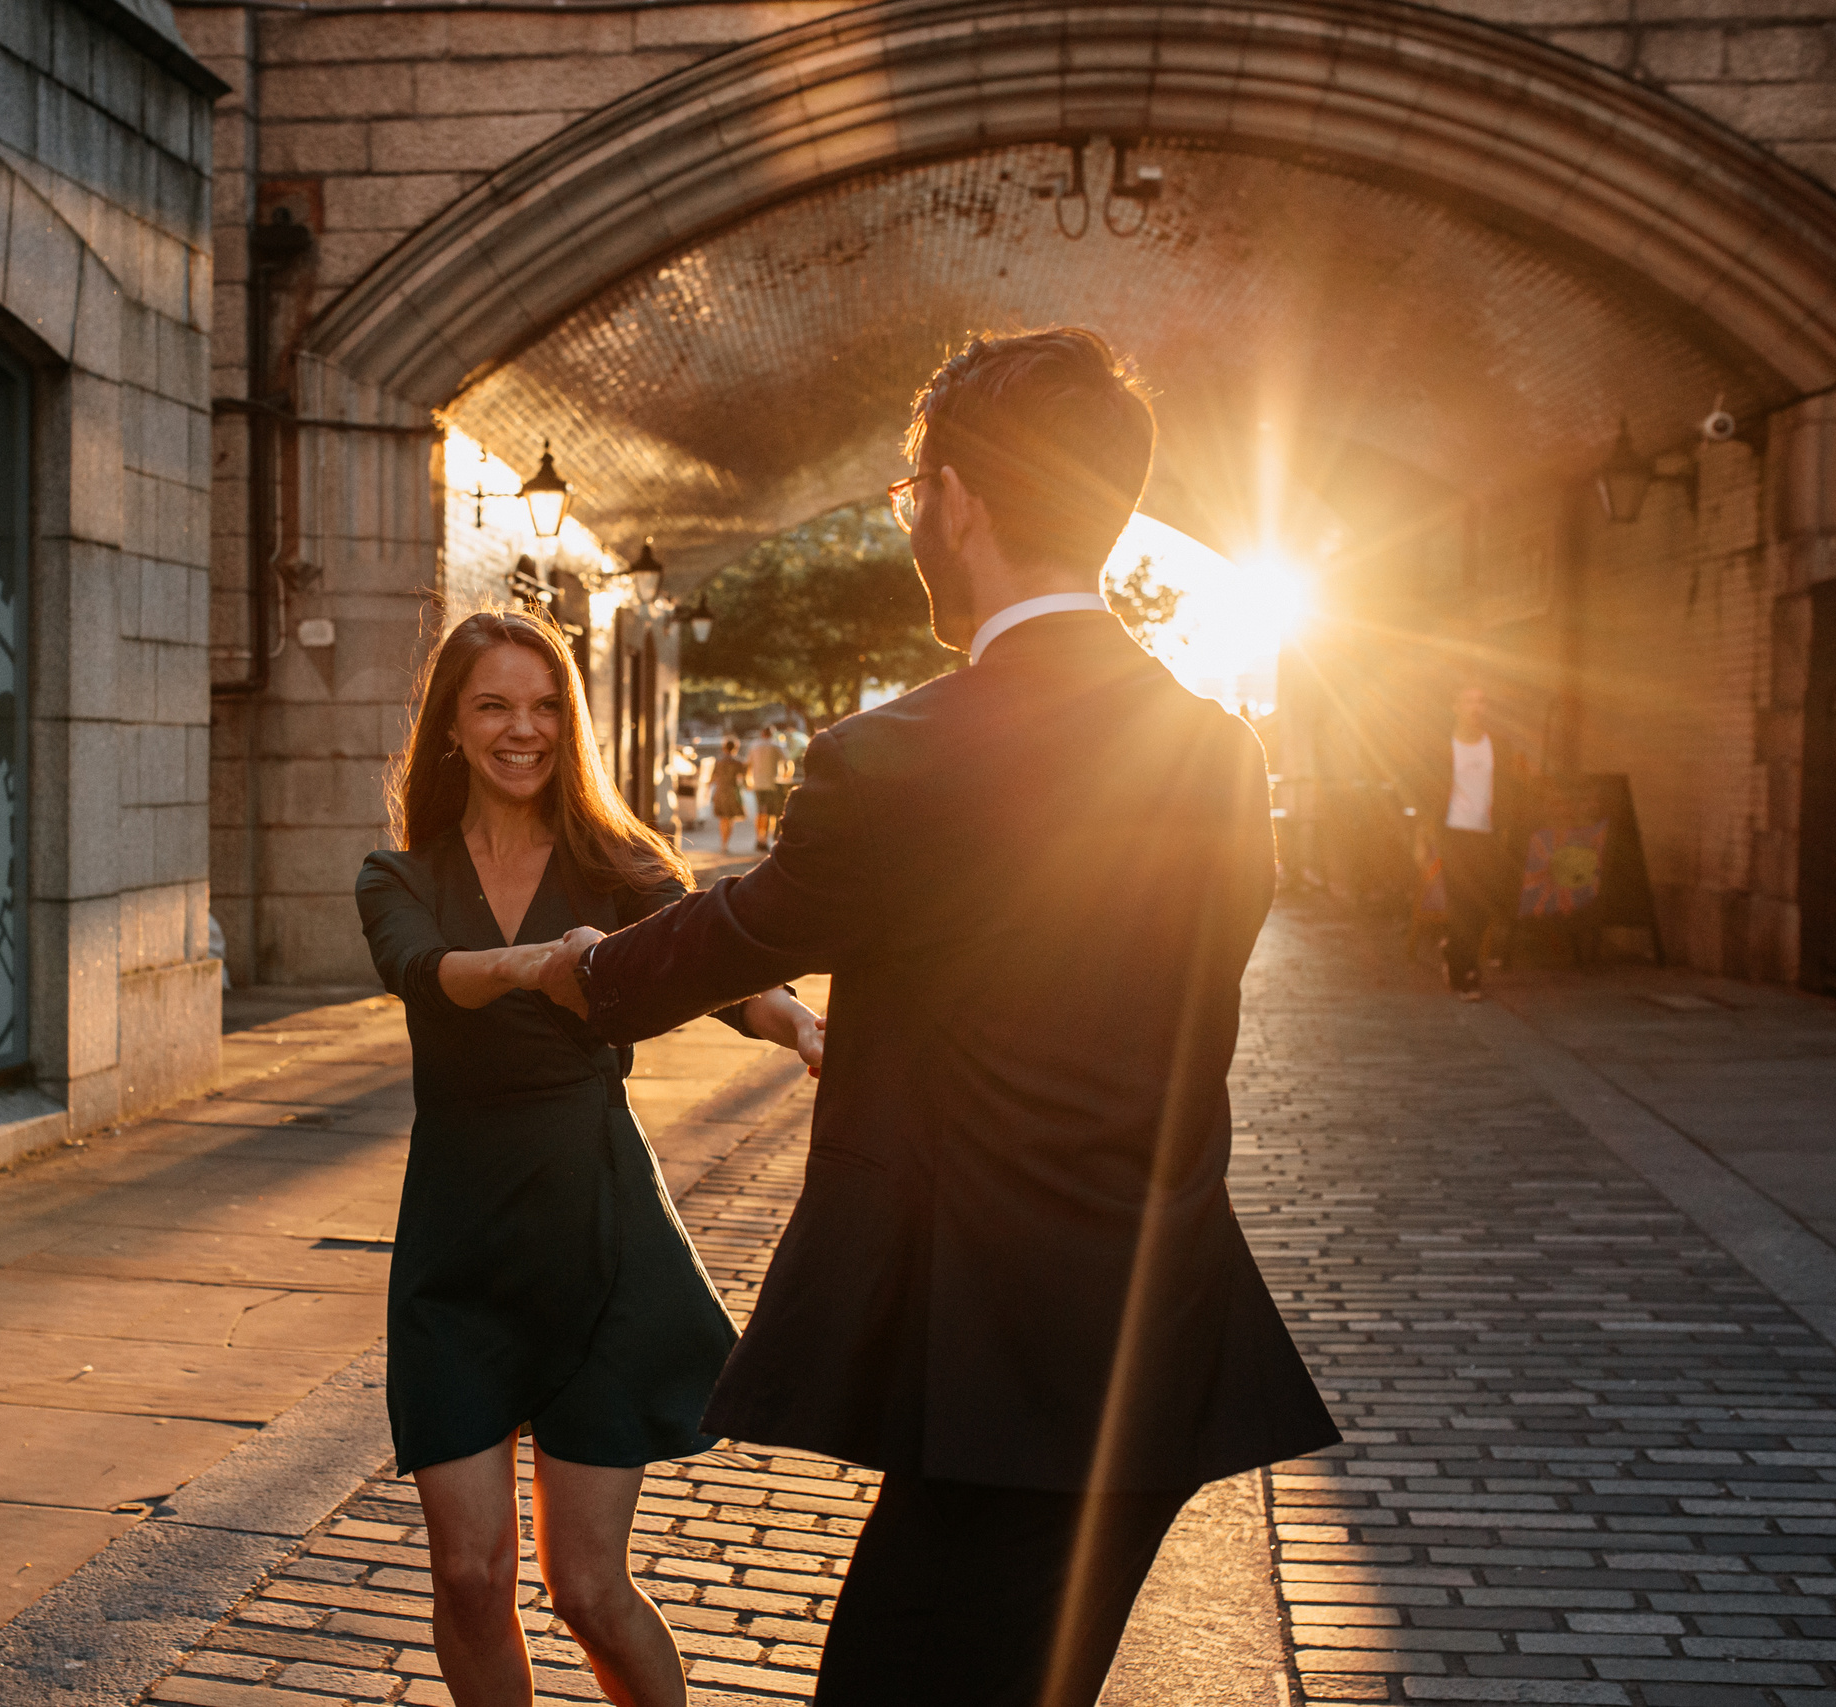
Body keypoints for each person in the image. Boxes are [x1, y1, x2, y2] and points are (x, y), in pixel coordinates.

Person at [537, 328, 1338, 1706]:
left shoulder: (903, 754)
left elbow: (749, 926)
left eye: (914, 496)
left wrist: (582, 970)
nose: (916, 524)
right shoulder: (1219, 751)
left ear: (959, 499)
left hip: (997, 1356)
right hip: (1160, 1339)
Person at [356, 608, 826, 1707]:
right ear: (450, 730)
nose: (522, 730)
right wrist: (543, 968)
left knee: (587, 1589)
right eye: (493, 706)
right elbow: (429, 974)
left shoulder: (616, 867)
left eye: (543, 706)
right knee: (469, 1577)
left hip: (598, 1235)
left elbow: (711, 963)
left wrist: (797, 1023)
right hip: (458, 1249)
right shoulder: (398, 874)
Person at [1419, 683, 1530, 1000]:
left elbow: (1510, 788)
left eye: (1481, 701)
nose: (1476, 708)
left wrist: (1508, 820)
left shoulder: (1498, 746)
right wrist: (1425, 830)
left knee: (1485, 901)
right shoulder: (1444, 745)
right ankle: (1467, 974)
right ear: (1455, 706)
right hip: (1454, 832)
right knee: (1460, 902)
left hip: (1489, 833)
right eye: (1469, 701)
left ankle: (1454, 951)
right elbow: (1428, 787)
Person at [742, 724, 788, 849]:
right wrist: (785, 777)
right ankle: (767, 838)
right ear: (772, 734)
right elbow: (787, 763)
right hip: (773, 783)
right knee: (770, 813)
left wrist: (747, 781)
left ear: (762, 734)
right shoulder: (776, 745)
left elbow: (747, 764)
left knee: (760, 811)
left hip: (758, 783)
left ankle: (759, 838)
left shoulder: (754, 746)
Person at [708, 734, 746, 851]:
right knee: (730, 819)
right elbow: (744, 779)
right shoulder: (738, 762)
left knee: (722, 818)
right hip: (732, 791)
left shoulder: (718, 761)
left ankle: (723, 842)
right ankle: (726, 841)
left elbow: (712, 778)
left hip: (720, 790)